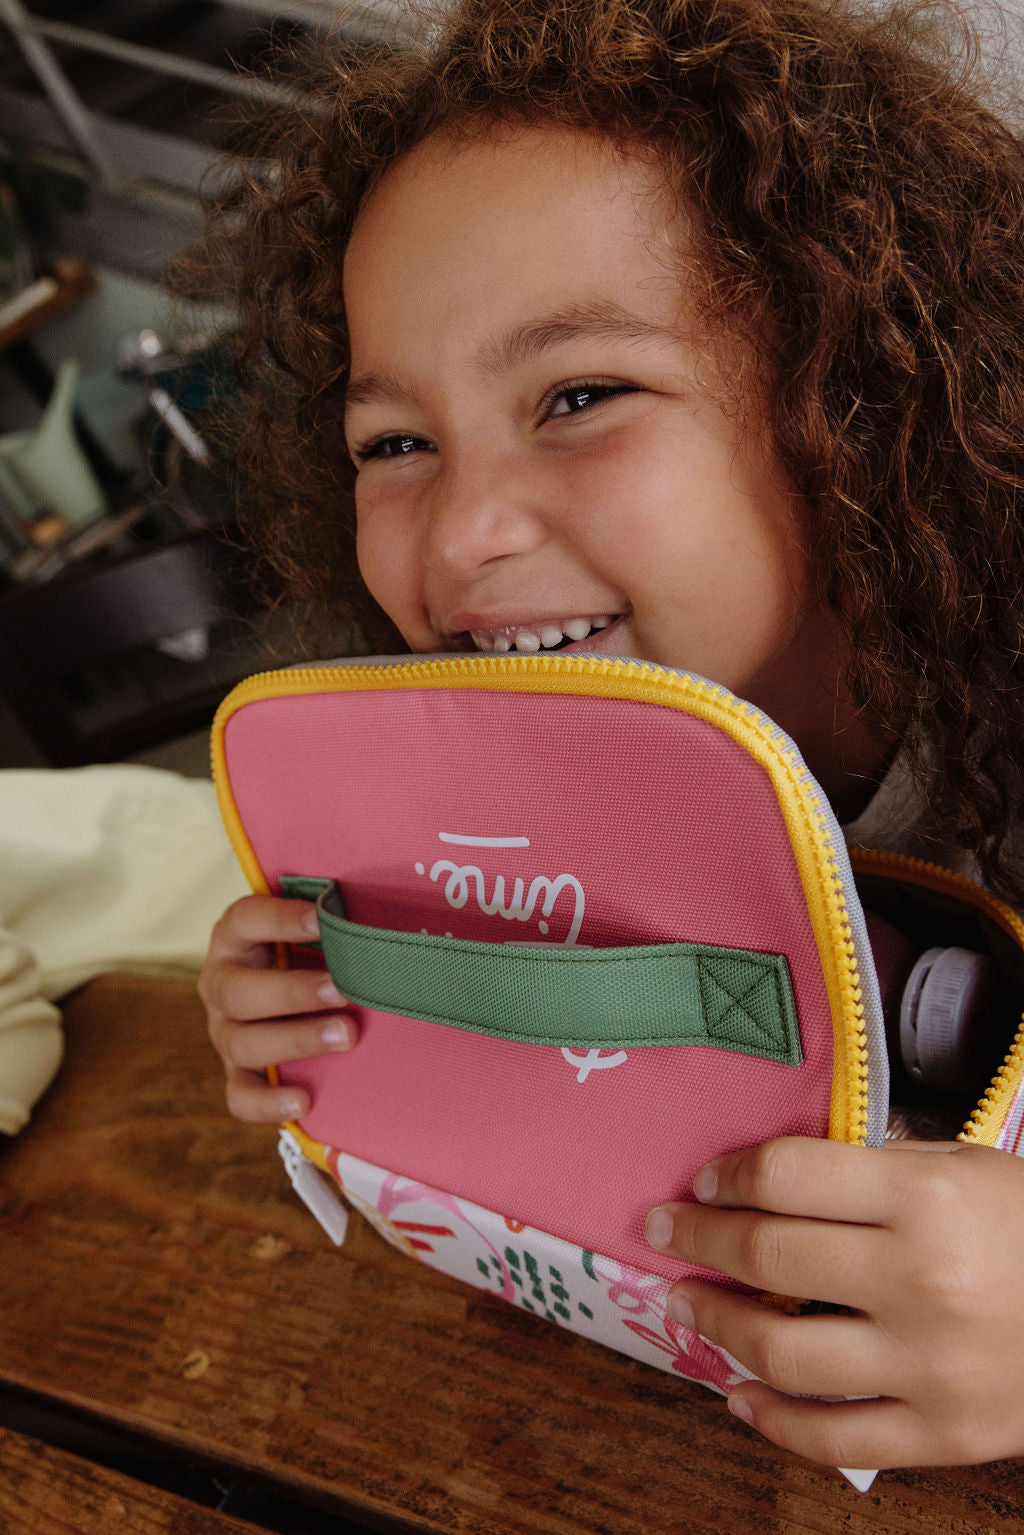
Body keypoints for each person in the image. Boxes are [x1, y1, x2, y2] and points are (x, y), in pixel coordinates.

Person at [188, 0, 1024, 1471]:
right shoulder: (481, 778)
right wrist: (316, 1000)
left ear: (849, 402)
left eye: (580, 396)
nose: (464, 531)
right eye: (395, 443)